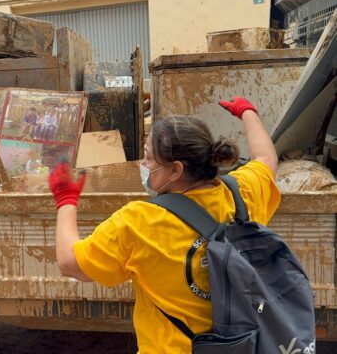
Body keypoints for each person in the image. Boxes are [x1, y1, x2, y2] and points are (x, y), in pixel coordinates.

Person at [48, 97, 280, 353]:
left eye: (148, 158)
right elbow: (266, 158)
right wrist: (248, 112)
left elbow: (70, 263)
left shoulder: (139, 222)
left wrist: (66, 200)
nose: (143, 165)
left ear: (175, 170)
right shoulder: (240, 193)